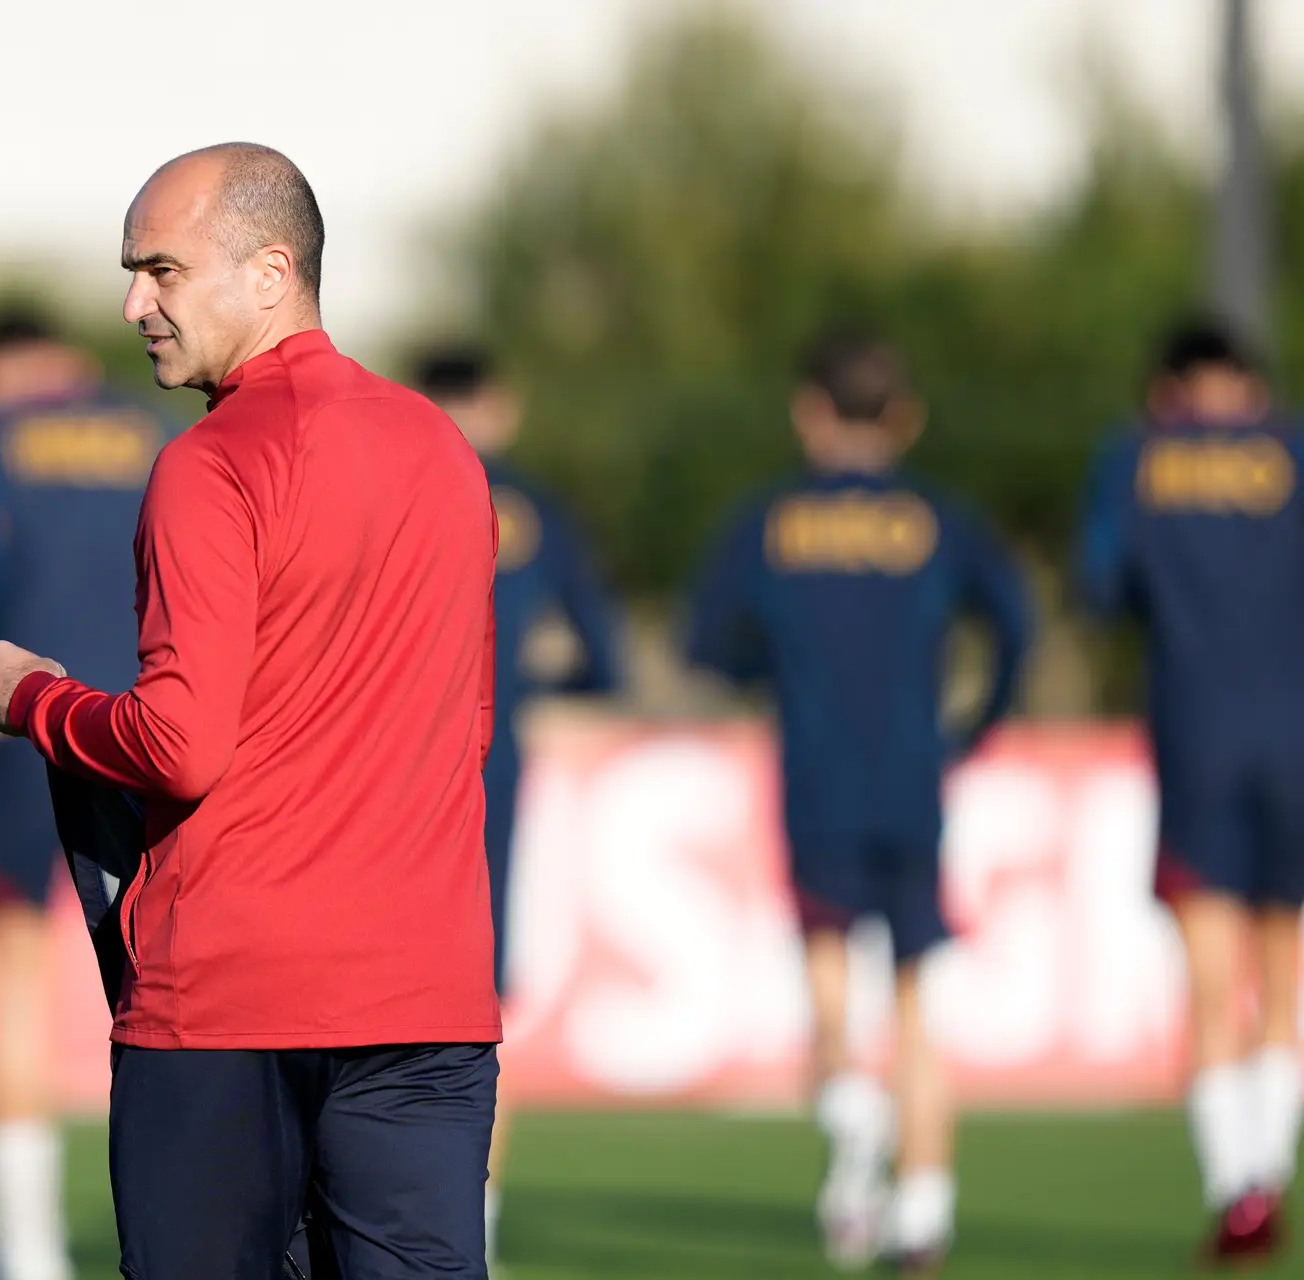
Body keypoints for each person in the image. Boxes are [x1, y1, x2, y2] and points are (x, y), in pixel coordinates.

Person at [0, 143, 500, 1280]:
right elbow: (468, 723)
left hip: (229, 1006)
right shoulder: (446, 451)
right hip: (426, 995)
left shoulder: (210, 464)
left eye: (162, 269)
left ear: (271, 272)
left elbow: (180, 742)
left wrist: (35, 702)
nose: (134, 303)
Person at [685, 332, 1031, 1275]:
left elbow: (706, 643)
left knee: (832, 988)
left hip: (820, 784)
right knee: (920, 1004)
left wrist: (780, 673)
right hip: (914, 786)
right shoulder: (938, 519)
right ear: (904, 417)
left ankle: (852, 1117)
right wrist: (973, 728)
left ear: (810, 412)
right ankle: (923, 1208)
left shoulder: (771, 519)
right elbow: (1017, 626)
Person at [1077, 318, 1304, 1266]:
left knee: (1213, 983)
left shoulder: (1139, 458)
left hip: (1197, 740)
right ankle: (1268, 1174)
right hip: (1299, 739)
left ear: (1168, 388)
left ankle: (1235, 1187)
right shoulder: (1294, 448)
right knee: (1287, 981)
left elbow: (1098, 584)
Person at [0, 309, 166, 1280]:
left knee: (14, 973)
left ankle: (28, 1242)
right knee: (175, 979)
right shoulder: (152, 426)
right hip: (151, 719)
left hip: (33, 720)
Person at [414, 346, 621, 1263]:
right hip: (493, 769)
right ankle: (476, 1221)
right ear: (501, 403)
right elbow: (603, 654)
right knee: (475, 996)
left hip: (387, 764)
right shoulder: (536, 511)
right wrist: (534, 680)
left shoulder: (398, 482)